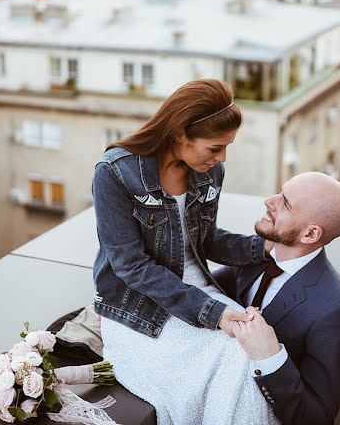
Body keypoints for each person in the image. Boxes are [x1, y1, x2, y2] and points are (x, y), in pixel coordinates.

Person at [91, 78, 278, 425]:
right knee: (231, 350)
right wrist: (213, 314)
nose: (221, 157)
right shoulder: (115, 173)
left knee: (249, 350)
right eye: (215, 148)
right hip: (138, 305)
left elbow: (206, 241)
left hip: (200, 292)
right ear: (180, 134)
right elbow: (131, 266)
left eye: (226, 148)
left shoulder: (210, 173)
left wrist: (265, 247)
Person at [223, 172, 340, 425]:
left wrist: (270, 358)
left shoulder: (337, 312)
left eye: (285, 203)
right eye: (279, 191)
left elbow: (317, 418)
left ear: (310, 234)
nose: (269, 200)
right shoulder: (255, 255)